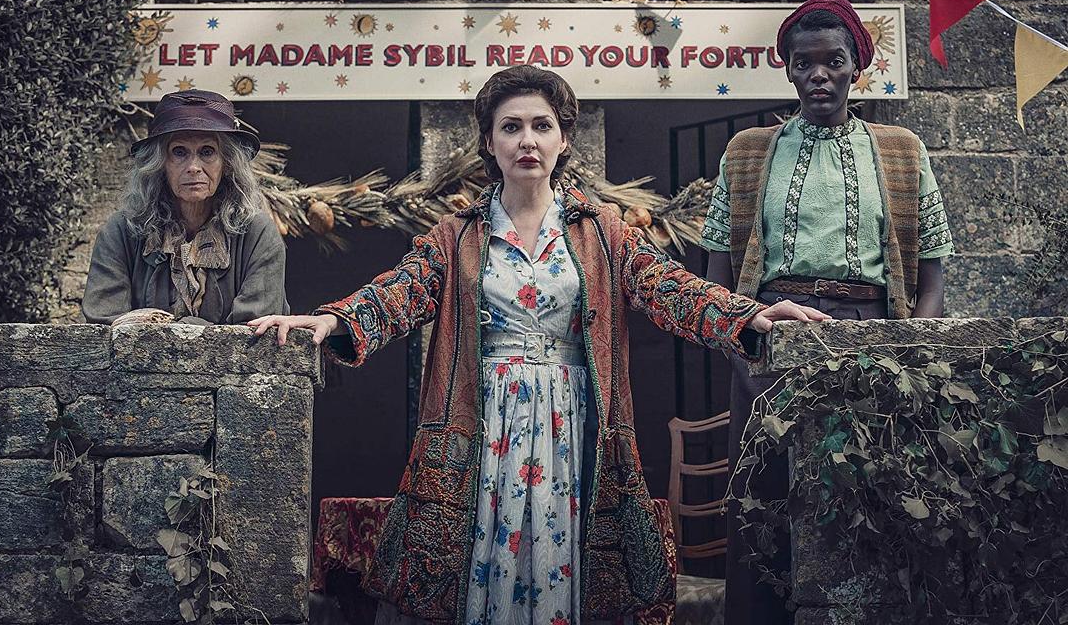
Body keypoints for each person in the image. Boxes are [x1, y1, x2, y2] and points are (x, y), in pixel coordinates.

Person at [252, 65, 828, 624]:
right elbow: (398, 293)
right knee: (478, 561)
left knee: (565, 560)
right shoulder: (457, 235)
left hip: (572, 420)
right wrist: (332, 321)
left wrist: (749, 314)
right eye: (511, 127)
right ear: (489, 142)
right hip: (483, 419)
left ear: (563, 139)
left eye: (541, 125)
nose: (527, 140)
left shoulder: (603, 231)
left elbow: (671, 289)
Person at [701, 0, 954, 625]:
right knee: (763, 493)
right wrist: (740, 346)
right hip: (769, 337)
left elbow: (932, 271)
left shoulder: (901, 150)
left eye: (833, 61)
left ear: (856, 68)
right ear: (787, 69)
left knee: (867, 490)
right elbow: (718, 270)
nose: (819, 74)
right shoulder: (746, 152)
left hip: (871, 337)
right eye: (804, 63)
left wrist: (908, 350)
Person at [82, 89, 289, 326]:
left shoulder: (257, 232)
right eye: (179, 152)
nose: (193, 167)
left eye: (207, 152)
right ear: (160, 164)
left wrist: (170, 329)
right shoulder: (122, 230)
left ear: (227, 163)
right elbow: (104, 323)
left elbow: (256, 331)